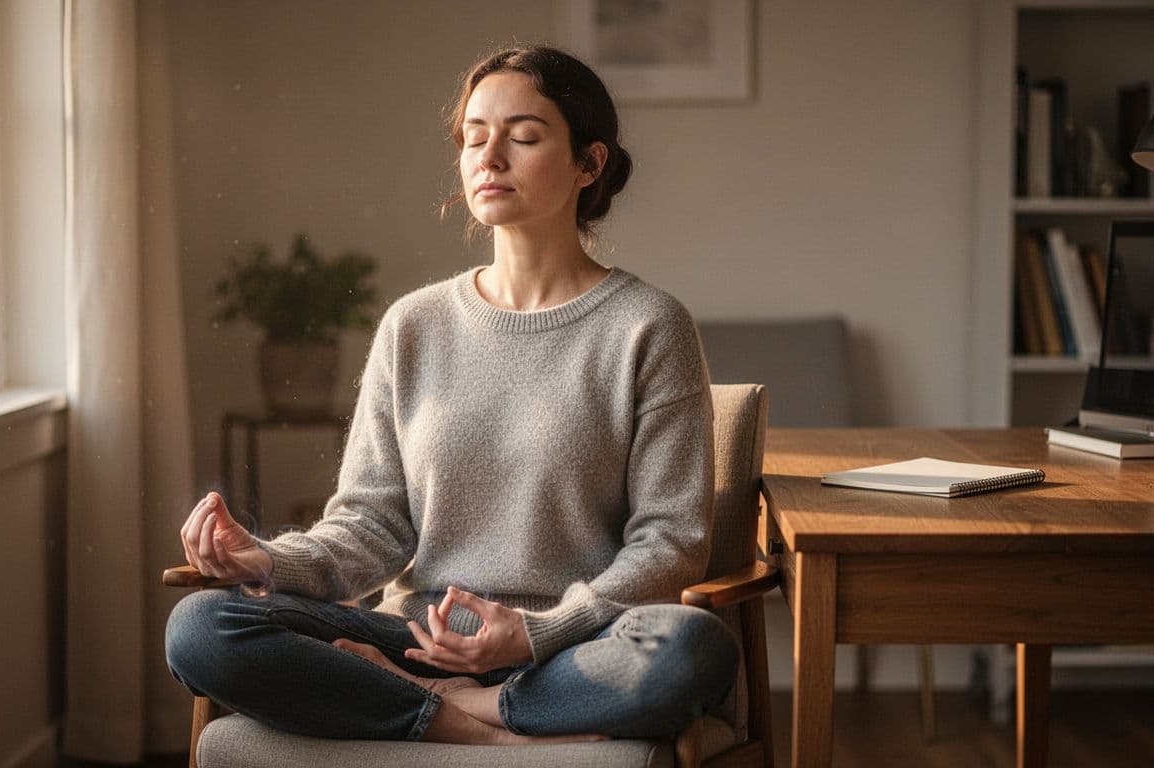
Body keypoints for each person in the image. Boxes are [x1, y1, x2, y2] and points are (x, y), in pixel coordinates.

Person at [166, 44, 738, 746]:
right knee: (202, 627)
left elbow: (670, 542)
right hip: (417, 638)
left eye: (523, 137)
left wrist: (534, 634)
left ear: (590, 164)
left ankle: (467, 708)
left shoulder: (648, 326)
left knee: (691, 648)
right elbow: (372, 528)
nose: (489, 157)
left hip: (567, 649)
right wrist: (266, 560)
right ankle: (471, 725)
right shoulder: (415, 324)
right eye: (473, 137)